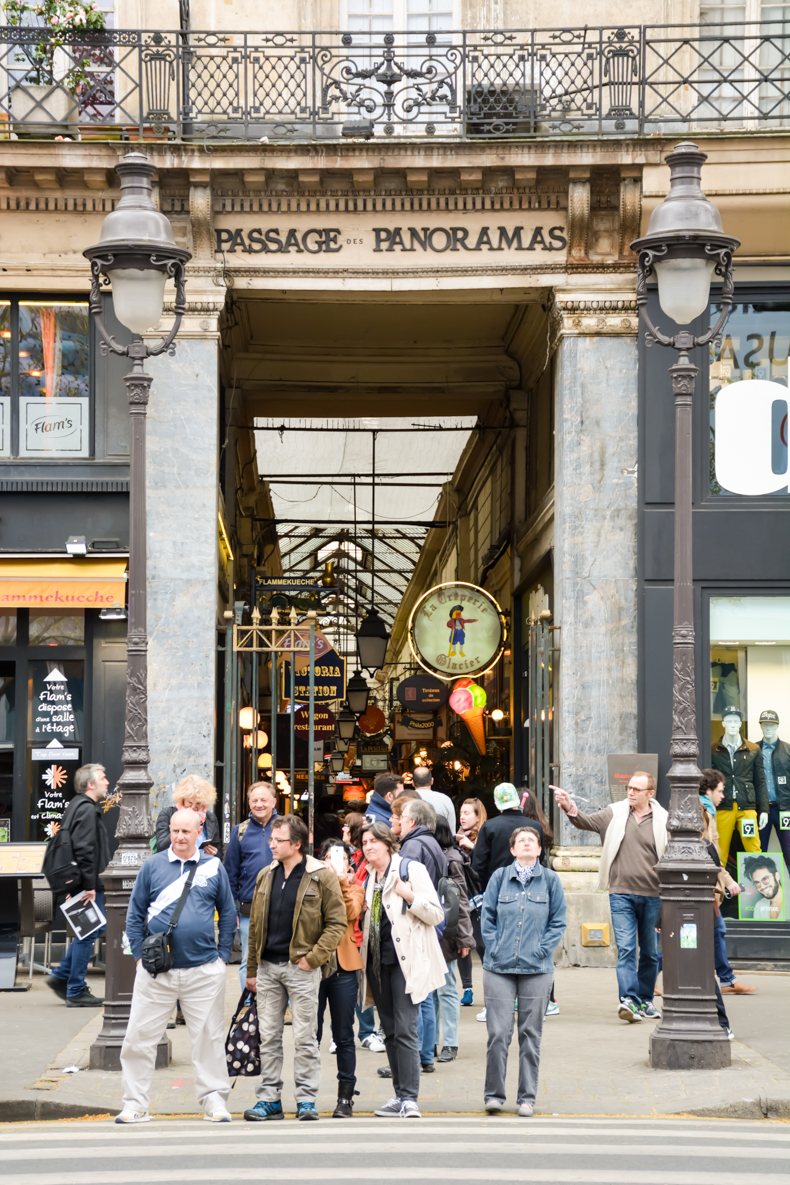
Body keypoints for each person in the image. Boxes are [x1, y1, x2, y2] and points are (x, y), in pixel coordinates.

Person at [117, 807, 236, 1124]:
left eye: (186, 831)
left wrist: (223, 954)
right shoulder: (153, 866)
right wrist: (141, 955)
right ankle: (134, 1103)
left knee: (209, 1038)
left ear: (199, 832)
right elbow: (134, 913)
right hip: (157, 971)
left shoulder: (213, 867)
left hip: (203, 970)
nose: (180, 837)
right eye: (175, 831)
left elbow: (227, 911)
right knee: (139, 1038)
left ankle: (214, 1100)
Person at [243, 814, 347, 1122]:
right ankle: (269, 1098)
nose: (272, 844)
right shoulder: (266, 875)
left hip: (300, 967)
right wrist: (251, 969)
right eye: (271, 839)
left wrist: (312, 959)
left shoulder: (320, 875)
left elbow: (336, 922)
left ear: (297, 844)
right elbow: (255, 928)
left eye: (279, 840)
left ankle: (306, 1098)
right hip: (268, 966)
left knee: (305, 1036)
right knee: (269, 1036)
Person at [554, 772, 667, 1023]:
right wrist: (568, 806)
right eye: (629, 788)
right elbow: (585, 822)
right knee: (626, 948)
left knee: (649, 952)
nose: (630, 792)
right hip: (620, 893)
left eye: (637, 789)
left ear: (650, 793)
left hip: (652, 895)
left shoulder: (663, 820)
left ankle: (645, 1000)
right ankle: (628, 1000)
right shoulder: (614, 813)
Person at [359, 821, 447, 1119]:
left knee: (406, 1028)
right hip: (377, 962)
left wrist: (410, 896)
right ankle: (399, 1095)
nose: (368, 846)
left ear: (387, 843)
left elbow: (435, 914)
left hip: (406, 962)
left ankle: (410, 1097)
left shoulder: (410, 869)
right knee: (391, 1032)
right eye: (364, 842)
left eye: (373, 841)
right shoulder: (370, 877)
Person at [481, 826, 566, 1117]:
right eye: (521, 841)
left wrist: (543, 950)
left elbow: (558, 922)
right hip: (499, 967)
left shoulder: (551, 881)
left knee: (530, 1035)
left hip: (536, 969)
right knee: (498, 1033)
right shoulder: (499, 878)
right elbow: (487, 916)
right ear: (513, 849)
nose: (528, 844)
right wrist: (493, 947)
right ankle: (494, 1095)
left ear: (540, 849)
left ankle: (527, 1097)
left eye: (533, 841)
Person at [46, 763, 111, 1008]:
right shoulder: (86, 809)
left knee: (87, 930)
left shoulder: (76, 806)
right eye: (103, 778)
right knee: (89, 932)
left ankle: (63, 977)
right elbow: (85, 850)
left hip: (80, 881)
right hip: (88, 883)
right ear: (91, 784)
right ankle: (74, 988)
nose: (107, 781)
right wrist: (90, 885)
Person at [317, 840, 365, 1118]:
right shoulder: (311, 885)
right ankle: (307, 1093)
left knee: (344, 1034)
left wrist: (342, 882)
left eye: (342, 858)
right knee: (311, 1033)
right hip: (314, 965)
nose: (336, 862)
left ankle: (345, 1097)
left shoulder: (355, 887)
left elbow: (350, 912)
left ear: (349, 863)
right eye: (330, 857)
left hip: (344, 967)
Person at [398, 797, 447, 1072]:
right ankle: (425, 1052)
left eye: (402, 819)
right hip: (430, 919)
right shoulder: (433, 843)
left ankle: (419, 1053)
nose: (399, 823)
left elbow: (405, 883)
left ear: (413, 822)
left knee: (420, 992)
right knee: (426, 990)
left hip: (417, 920)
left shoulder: (413, 846)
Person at [698, 768, 755, 995]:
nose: (723, 796)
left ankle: (726, 979)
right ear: (708, 790)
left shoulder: (708, 811)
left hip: (709, 883)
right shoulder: (702, 813)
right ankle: (727, 980)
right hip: (705, 885)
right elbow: (708, 853)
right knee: (709, 932)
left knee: (711, 933)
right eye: (720, 791)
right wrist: (726, 881)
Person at [223, 781, 278, 988]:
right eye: (254, 800)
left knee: (282, 959)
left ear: (273, 801)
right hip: (249, 907)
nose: (259, 804)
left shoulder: (285, 826)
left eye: (264, 800)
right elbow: (231, 872)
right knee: (248, 959)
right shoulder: (240, 831)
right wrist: (234, 907)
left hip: (281, 904)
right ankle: (248, 1005)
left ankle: (285, 1007)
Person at [433, 816, 474, 1062]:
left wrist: (465, 938)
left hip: (446, 934)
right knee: (431, 991)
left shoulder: (451, 859)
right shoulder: (436, 857)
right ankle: (433, 1041)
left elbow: (461, 901)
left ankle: (450, 1042)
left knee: (446, 988)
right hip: (436, 931)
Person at [711, 707, 768, 866]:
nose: (733, 724)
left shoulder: (753, 749)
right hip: (724, 806)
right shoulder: (714, 749)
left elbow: (760, 780)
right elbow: (710, 780)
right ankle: (719, 890)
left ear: (740, 724)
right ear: (723, 723)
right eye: (729, 721)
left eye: (736, 721)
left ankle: (759, 888)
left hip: (746, 806)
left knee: (754, 849)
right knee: (719, 851)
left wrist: (764, 809)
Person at [456, 797, 487, 1007]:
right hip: (461, 897)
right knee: (462, 944)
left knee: (483, 944)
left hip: (480, 898)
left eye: (467, 813)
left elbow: (486, 866)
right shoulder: (456, 837)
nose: (462, 816)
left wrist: (472, 847)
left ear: (478, 817)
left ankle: (492, 987)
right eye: (461, 812)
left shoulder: (486, 836)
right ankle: (467, 988)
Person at [154, 774, 222, 857]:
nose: (193, 807)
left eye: (198, 803)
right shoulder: (167, 814)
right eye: (190, 803)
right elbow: (161, 847)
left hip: (201, 864)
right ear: (182, 799)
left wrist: (214, 852)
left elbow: (219, 852)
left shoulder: (210, 817)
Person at [756, 709, 790, 873]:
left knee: (789, 851)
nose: (768, 728)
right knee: (758, 851)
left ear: (777, 726)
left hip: (784, 809)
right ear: (761, 726)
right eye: (765, 724)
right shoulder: (753, 750)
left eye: (771, 725)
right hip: (761, 809)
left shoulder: (787, 750)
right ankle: (758, 895)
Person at [412, 765, 456, 831]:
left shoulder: (406, 799)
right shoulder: (445, 799)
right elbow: (451, 830)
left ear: (412, 783)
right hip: (441, 840)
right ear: (432, 781)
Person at [744, 854, 786, 920]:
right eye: (757, 883)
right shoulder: (759, 906)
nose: (762, 886)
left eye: (765, 879)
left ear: (777, 876)